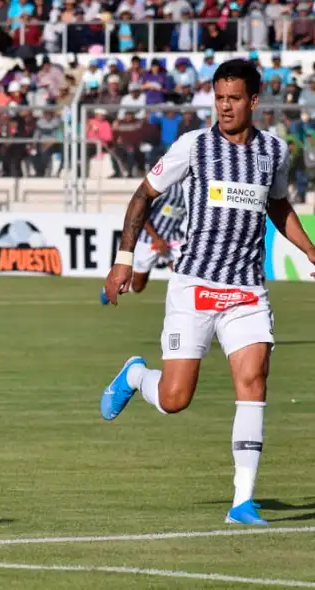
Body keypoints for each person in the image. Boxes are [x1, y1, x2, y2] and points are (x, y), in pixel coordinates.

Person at [99, 59, 315, 526]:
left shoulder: (274, 152)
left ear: (253, 100)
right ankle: (136, 377)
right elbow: (143, 195)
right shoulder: (194, 146)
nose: (225, 106)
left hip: (245, 290)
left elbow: (277, 205)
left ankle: (242, 501)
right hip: (194, 284)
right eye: (219, 98)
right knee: (176, 399)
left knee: (254, 381)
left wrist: (311, 252)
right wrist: (123, 260)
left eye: (234, 98)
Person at [99, 184, 185, 304]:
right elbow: (141, 212)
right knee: (137, 287)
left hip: (174, 238)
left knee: (185, 273)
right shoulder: (169, 186)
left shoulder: (196, 186)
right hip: (149, 239)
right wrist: (157, 239)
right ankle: (112, 284)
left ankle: (183, 306)